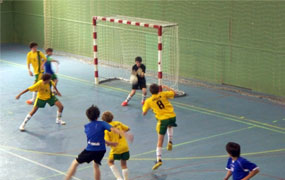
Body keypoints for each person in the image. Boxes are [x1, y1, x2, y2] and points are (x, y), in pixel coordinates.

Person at [65, 105, 125, 180]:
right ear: (98, 115)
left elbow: (94, 138)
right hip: (101, 151)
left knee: (75, 163)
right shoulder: (103, 123)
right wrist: (113, 142)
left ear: (88, 117)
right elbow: (112, 130)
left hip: (90, 150)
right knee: (96, 165)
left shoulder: (86, 127)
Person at [142, 84, 177, 170]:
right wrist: (166, 87)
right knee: (170, 125)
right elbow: (174, 93)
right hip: (172, 116)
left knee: (160, 140)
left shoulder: (149, 101)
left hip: (163, 120)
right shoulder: (163, 94)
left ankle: (159, 160)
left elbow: (144, 113)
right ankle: (170, 141)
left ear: (150, 92)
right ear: (159, 90)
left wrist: (146, 107)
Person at [102, 111, 131, 180]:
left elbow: (107, 142)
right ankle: (126, 179)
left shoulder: (106, 129)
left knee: (110, 162)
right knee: (124, 164)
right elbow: (128, 129)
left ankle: (119, 178)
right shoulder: (118, 123)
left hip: (116, 149)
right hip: (125, 147)